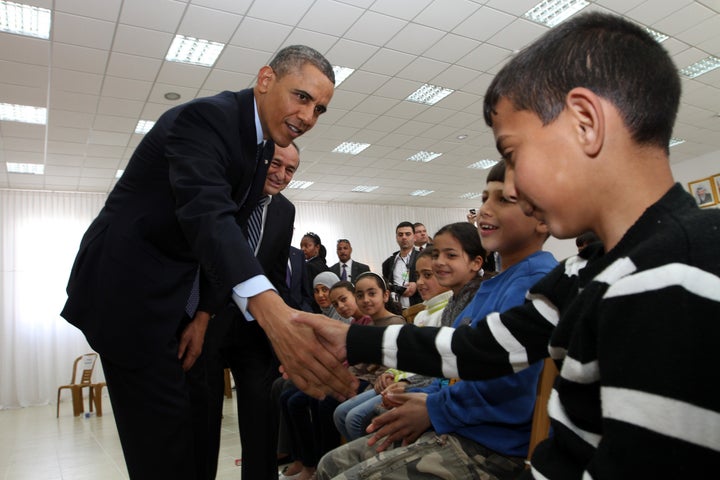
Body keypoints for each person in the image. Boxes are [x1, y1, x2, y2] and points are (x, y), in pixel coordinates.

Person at [300, 13, 720, 478]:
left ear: (586, 123)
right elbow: (478, 349)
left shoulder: (679, 273)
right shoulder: (586, 269)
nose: (514, 186)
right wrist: (352, 337)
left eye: (514, 155)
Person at [60, 44, 356, 479]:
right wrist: (271, 311)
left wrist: (203, 313)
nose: (309, 117)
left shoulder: (258, 148)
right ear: (266, 80)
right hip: (128, 297)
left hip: (178, 301)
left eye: (320, 109)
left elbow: (225, 240)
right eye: (302, 97)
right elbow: (207, 218)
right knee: (163, 448)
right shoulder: (205, 120)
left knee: (186, 436)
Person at [317, 161, 557, 480]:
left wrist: (432, 408)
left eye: (503, 200)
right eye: (485, 197)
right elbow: (458, 364)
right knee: (330, 465)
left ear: (542, 219)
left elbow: (506, 387)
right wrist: (422, 395)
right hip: (460, 425)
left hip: (488, 447)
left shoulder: (536, 283)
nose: (485, 209)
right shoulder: (492, 286)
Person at [195, 142, 303, 479]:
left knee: (262, 416)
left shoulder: (285, 211)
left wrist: (286, 328)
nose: (281, 174)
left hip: (254, 328)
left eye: (291, 169)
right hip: (206, 322)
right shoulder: (225, 195)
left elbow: (273, 274)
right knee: (204, 418)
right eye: (276, 163)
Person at [280, 273, 405, 480]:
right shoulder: (365, 324)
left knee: (327, 403)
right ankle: (315, 462)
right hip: (361, 377)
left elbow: (385, 364)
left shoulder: (393, 323)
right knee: (297, 397)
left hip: (376, 382)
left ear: (385, 295)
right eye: (360, 295)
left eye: (371, 294)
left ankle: (341, 465)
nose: (365, 300)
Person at [333, 248, 451, 442]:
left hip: (415, 381)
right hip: (397, 377)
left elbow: (433, 364)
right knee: (340, 412)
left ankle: (369, 462)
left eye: (427, 275)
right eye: (417, 276)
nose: (419, 282)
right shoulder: (422, 314)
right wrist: (393, 374)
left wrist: (398, 378)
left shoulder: (443, 312)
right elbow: (412, 358)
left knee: (354, 418)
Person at [382, 221, 422, 308]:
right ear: (396, 238)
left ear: (414, 237)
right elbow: (387, 285)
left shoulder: (423, 258)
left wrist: (417, 285)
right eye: (400, 235)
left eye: (407, 234)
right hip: (396, 310)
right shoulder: (388, 263)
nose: (404, 237)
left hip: (419, 308)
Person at [301, 232, 330, 311]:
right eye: (301, 246)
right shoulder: (322, 264)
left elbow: (309, 292)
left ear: (317, 247)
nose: (303, 249)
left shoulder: (309, 266)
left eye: (307, 246)